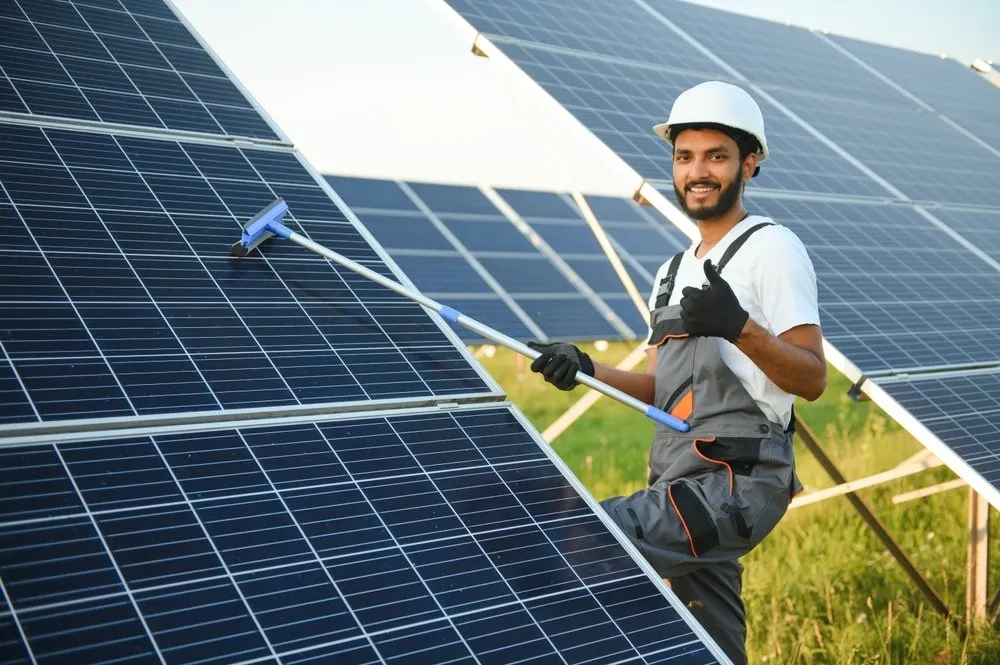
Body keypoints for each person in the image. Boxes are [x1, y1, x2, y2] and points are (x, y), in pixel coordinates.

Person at [527, 81, 827, 665]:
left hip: (738, 483)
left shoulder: (772, 248)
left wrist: (739, 326)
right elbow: (662, 389)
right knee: (710, 641)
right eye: (685, 156)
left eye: (717, 156)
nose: (698, 171)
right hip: (675, 478)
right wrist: (586, 369)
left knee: (588, 537)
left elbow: (812, 379)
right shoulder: (668, 271)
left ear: (750, 163)